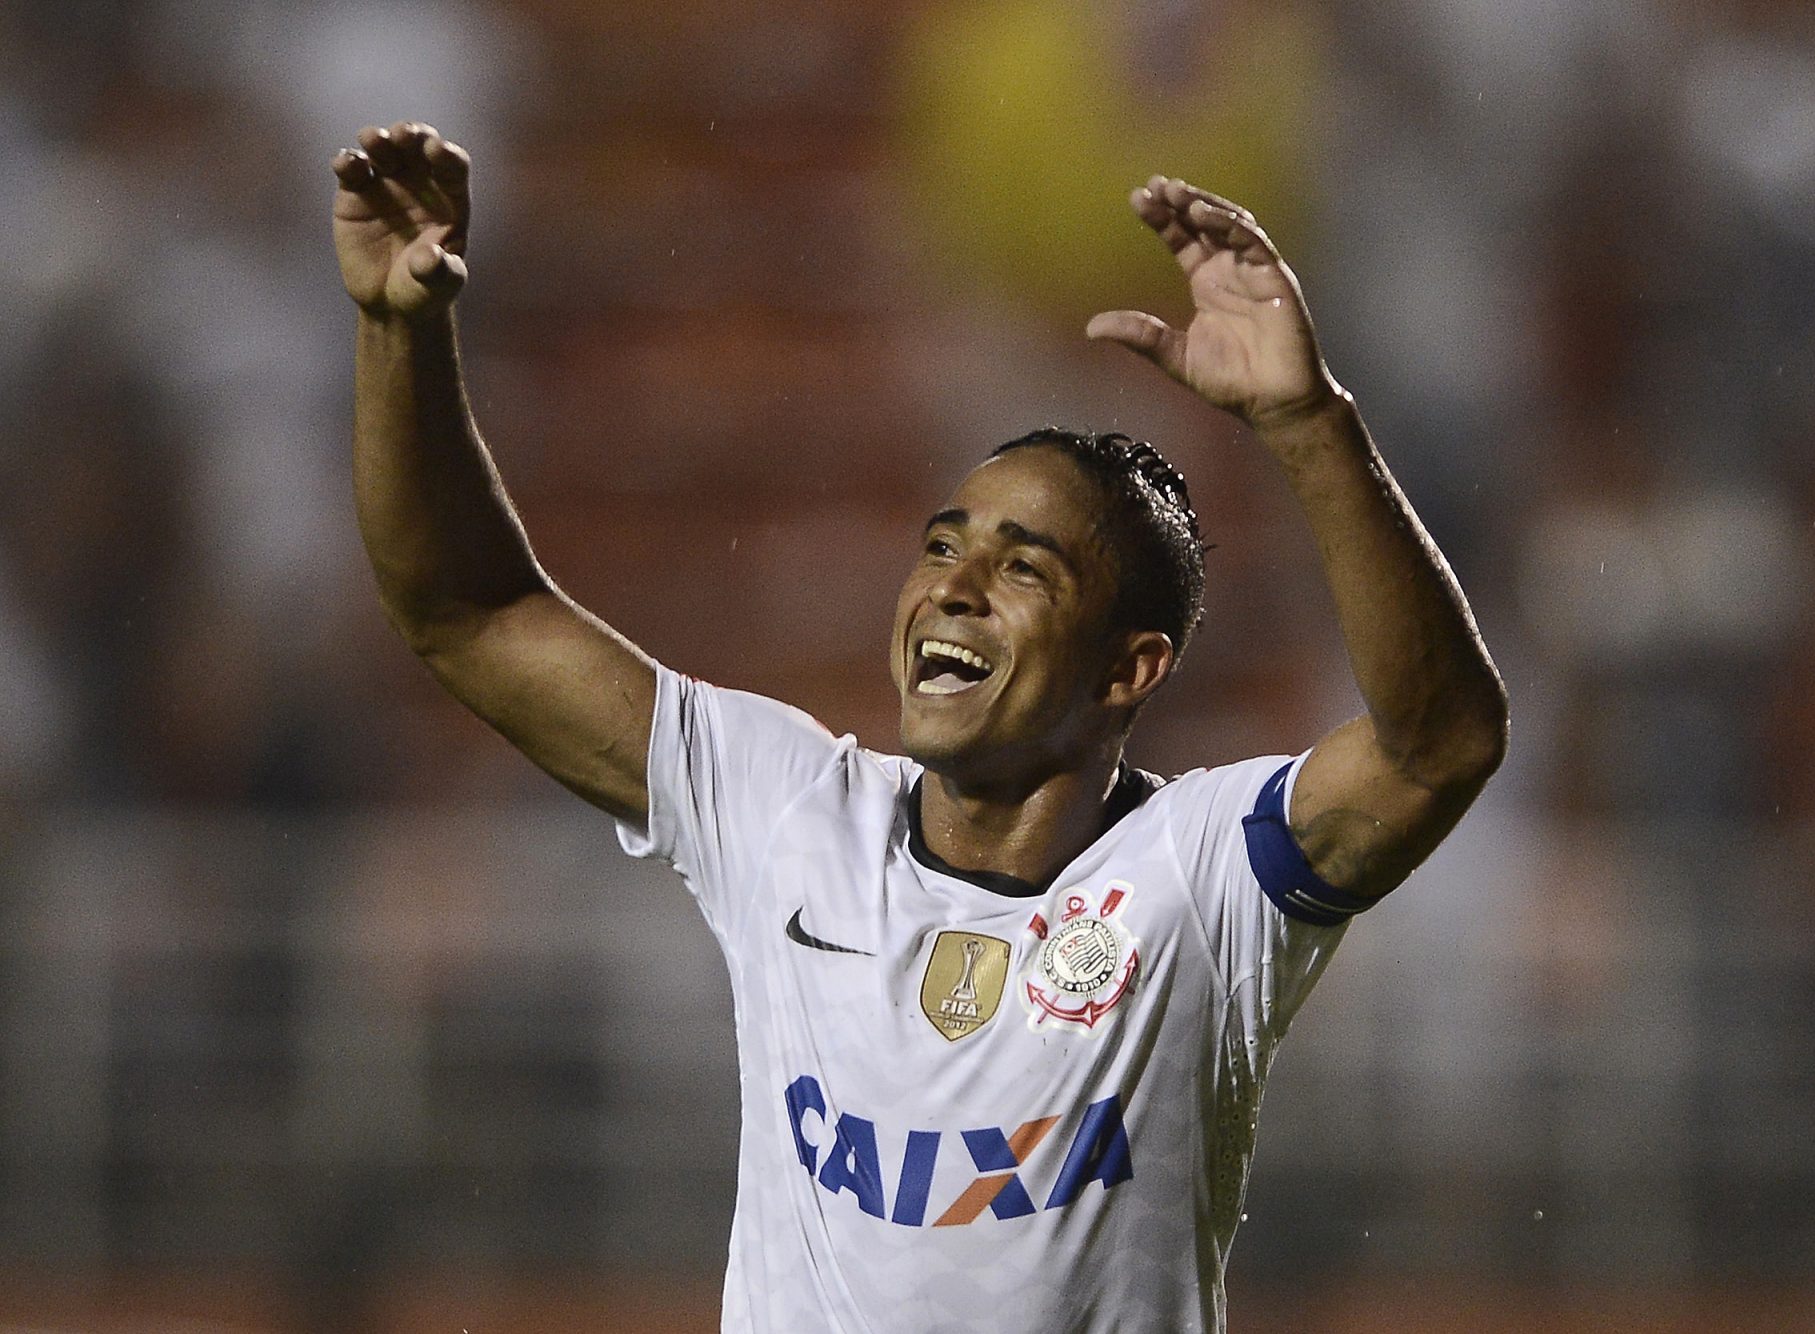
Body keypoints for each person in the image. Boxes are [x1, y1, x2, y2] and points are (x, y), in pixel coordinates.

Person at [333, 120, 1507, 1333]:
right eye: (942, 544)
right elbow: (466, 614)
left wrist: (1308, 420)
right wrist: (398, 331)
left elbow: (1442, 743)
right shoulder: (790, 810)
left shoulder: (1198, 877)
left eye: (1023, 566)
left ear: (1129, 668)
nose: (952, 583)